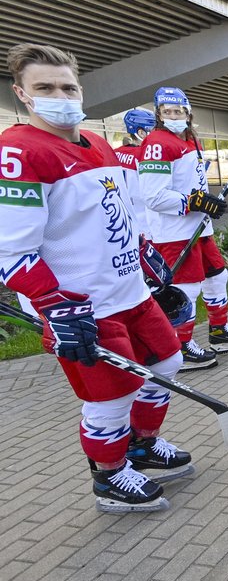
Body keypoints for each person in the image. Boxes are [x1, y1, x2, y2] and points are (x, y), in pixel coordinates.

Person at [0, 43, 192, 513]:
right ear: (22, 94)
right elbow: (10, 250)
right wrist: (51, 303)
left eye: (67, 86)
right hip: (80, 302)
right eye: (45, 87)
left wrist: (144, 250)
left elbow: (123, 208)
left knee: (167, 363)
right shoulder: (18, 151)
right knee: (111, 394)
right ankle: (109, 474)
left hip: (129, 289)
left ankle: (142, 444)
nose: (59, 96)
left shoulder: (98, 142)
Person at [138, 86, 228, 370]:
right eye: (167, 112)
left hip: (200, 229)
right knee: (186, 288)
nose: (174, 116)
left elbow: (193, 184)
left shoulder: (190, 140)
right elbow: (153, 196)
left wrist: (207, 203)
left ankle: (219, 331)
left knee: (217, 277)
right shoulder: (157, 142)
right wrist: (195, 202)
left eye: (178, 111)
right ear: (159, 115)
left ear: (188, 112)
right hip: (174, 232)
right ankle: (180, 346)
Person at [113, 108, 155, 239]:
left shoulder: (114, 153)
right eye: (153, 130)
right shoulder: (145, 155)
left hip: (125, 224)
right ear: (141, 132)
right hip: (147, 226)